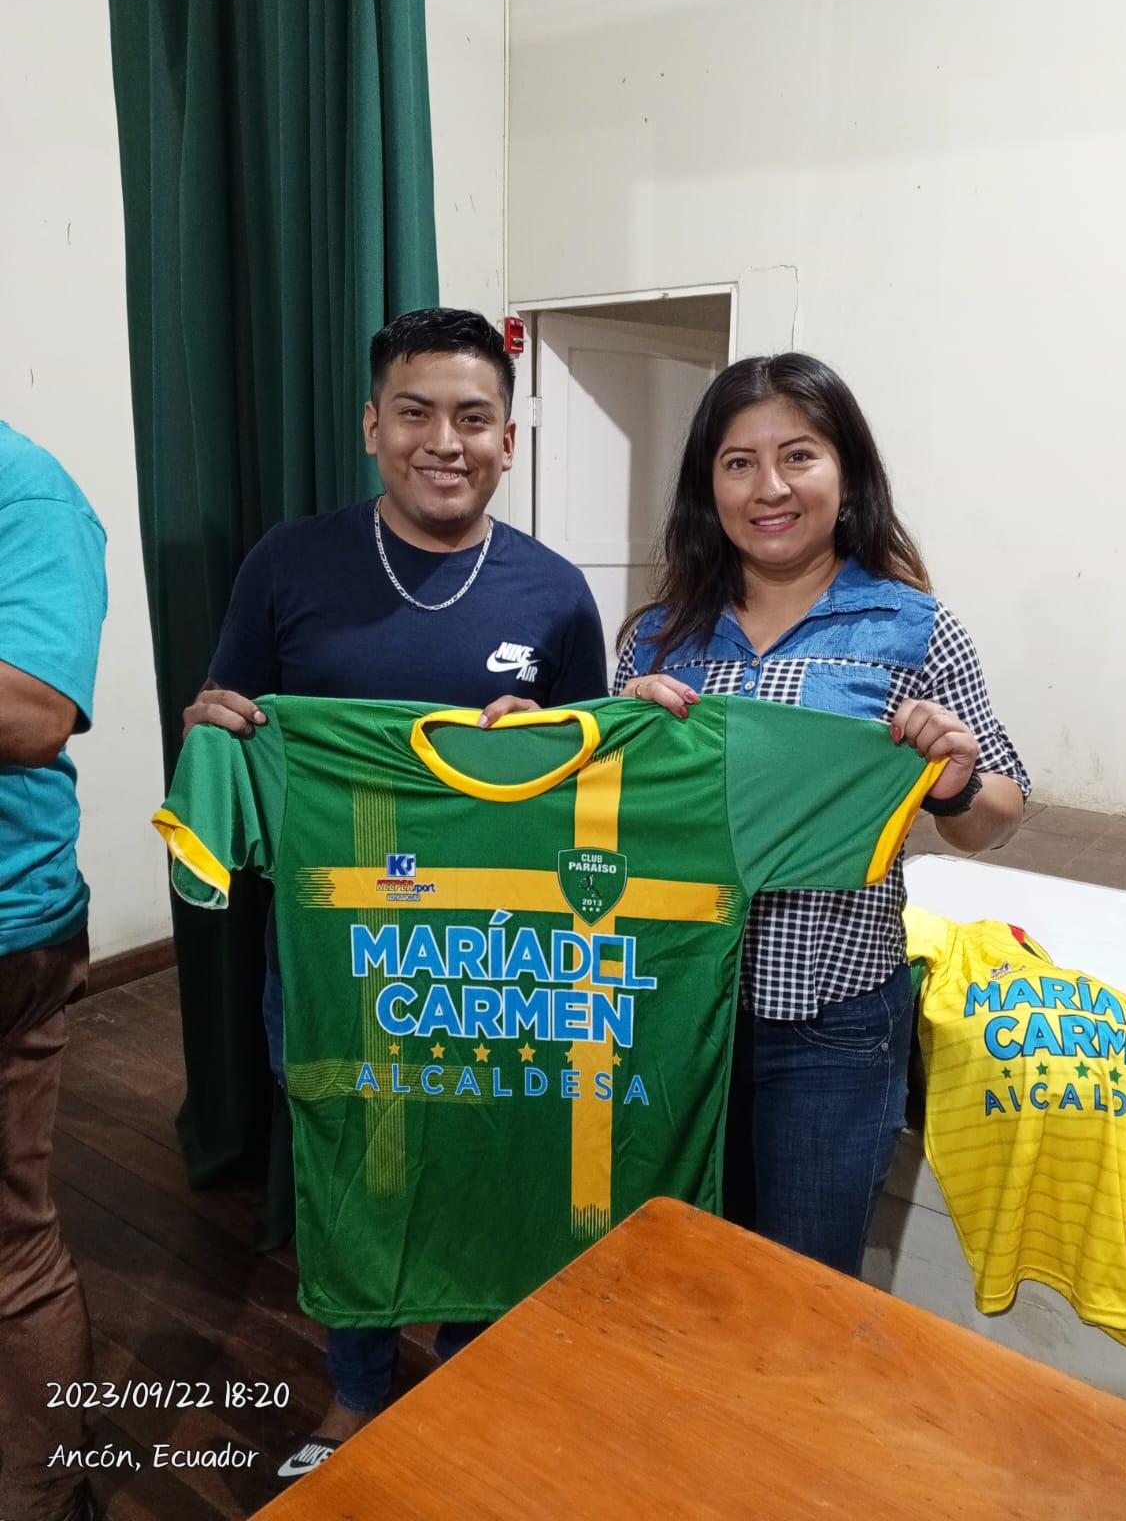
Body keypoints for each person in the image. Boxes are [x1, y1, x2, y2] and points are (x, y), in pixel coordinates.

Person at [181, 308, 608, 1482]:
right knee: (349, 1165)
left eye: (474, 417)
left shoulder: (556, 594)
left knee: (487, 1148)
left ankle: (474, 1369)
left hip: (495, 957)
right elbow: (229, 716)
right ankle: (359, 1388)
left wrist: (552, 743)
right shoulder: (288, 563)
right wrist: (212, 727)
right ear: (373, 425)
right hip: (332, 952)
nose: (445, 441)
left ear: (509, 438)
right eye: (416, 412)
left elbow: (591, 785)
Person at [614, 353, 1029, 1278]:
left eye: (798, 455)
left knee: (802, 1287)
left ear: (847, 475)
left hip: (833, 1026)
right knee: (678, 1270)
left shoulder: (913, 627)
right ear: (708, 486)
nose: (769, 487)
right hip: (678, 1014)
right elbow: (615, 830)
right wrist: (616, 741)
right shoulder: (657, 639)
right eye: (738, 462)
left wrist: (955, 780)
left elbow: (997, 813)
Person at [0, 421, 107, 1521]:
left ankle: (43, 1491)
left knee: (7, 1245)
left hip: (5, 932)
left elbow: (34, 713)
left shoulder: (25, 492)